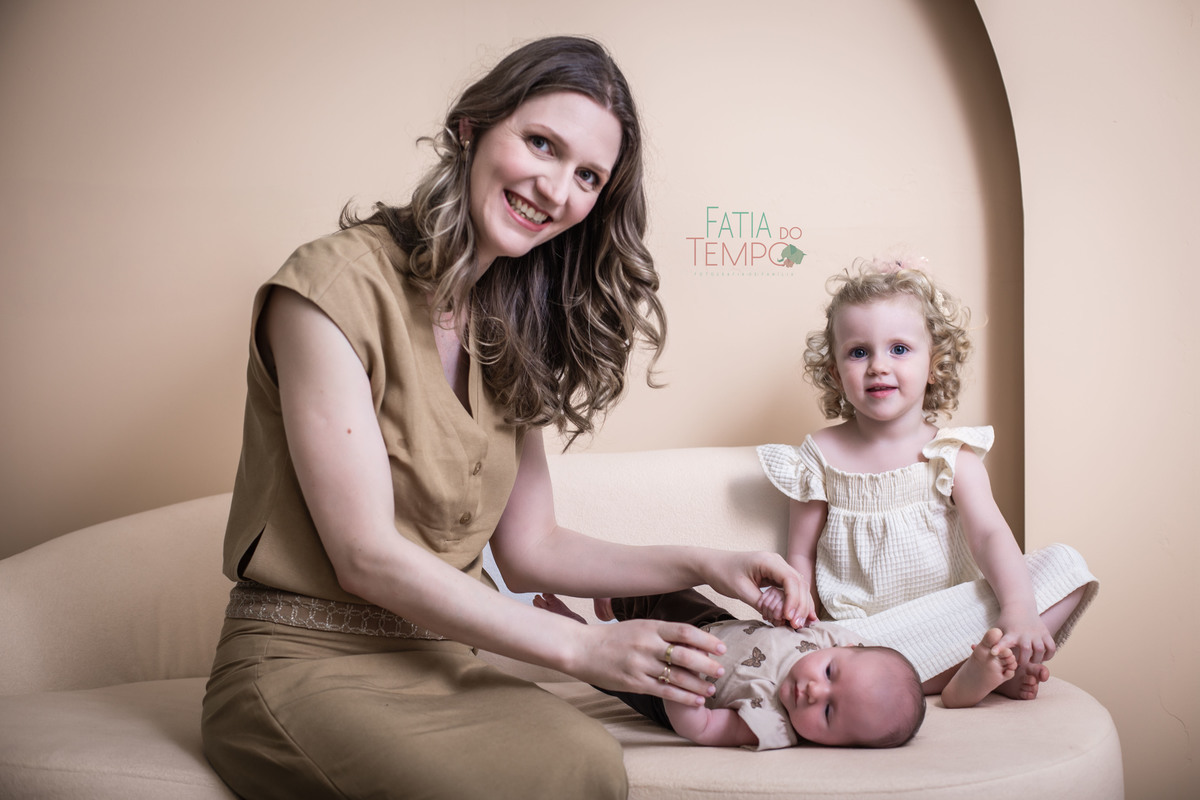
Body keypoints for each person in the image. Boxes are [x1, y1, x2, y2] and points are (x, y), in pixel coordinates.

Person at [200, 36, 808, 800]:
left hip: (439, 661)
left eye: (587, 175)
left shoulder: (508, 327)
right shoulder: (330, 288)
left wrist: (703, 562)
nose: (557, 190)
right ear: (471, 128)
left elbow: (532, 549)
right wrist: (582, 649)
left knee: (588, 762)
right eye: (540, 144)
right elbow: (365, 557)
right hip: (297, 662)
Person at [755, 260, 1098, 709]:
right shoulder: (819, 455)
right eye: (859, 352)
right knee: (806, 659)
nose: (878, 366)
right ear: (837, 373)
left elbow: (990, 535)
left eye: (899, 349)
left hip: (948, 623)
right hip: (862, 636)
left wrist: (1019, 609)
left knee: (1067, 567)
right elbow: (799, 552)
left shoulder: (952, 453)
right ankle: (968, 678)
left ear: (934, 364)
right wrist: (804, 623)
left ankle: (988, 660)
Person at [534, 590, 927, 749]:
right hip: (714, 623)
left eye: (827, 712)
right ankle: (615, 597)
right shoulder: (831, 640)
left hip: (670, 685)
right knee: (669, 591)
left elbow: (702, 729)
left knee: (613, 671)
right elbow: (793, 616)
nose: (813, 691)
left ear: (832, 744)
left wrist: (680, 688)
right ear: (847, 648)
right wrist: (779, 604)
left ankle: (573, 629)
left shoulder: (774, 725)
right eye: (829, 674)